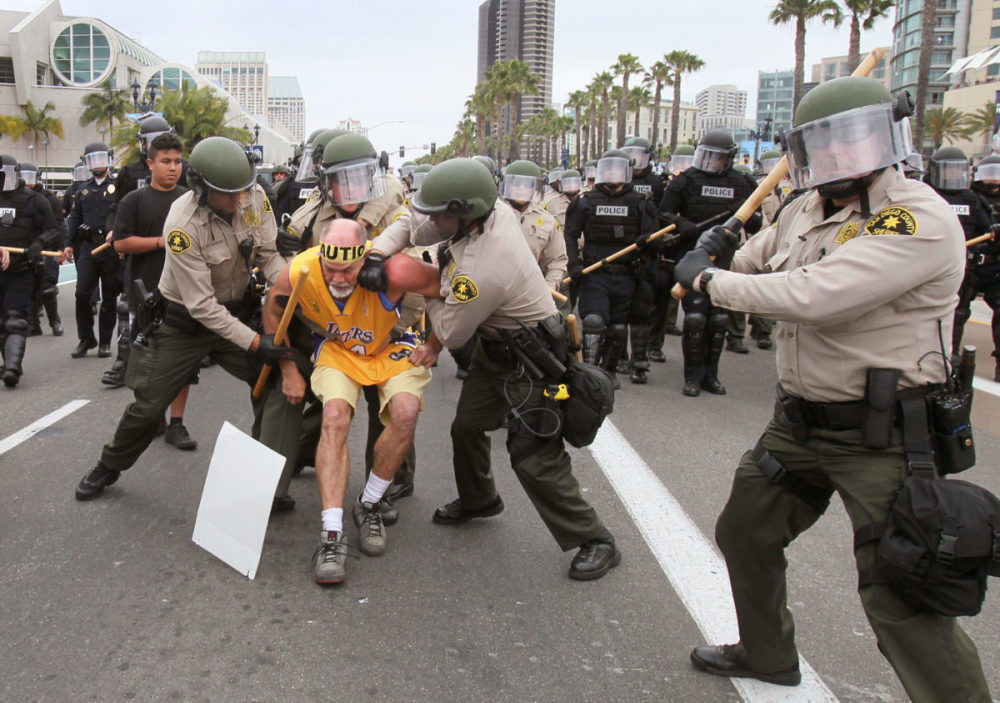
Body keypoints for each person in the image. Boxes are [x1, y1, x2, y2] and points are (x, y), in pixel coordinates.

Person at [674, 76, 992, 701]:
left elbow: (814, 296)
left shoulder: (916, 217)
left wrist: (709, 281)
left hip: (882, 436)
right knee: (746, 531)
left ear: (886, 138)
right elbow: (758, 260)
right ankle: (767, 652)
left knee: (901, 590)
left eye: (854, 140)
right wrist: (716, 249)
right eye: (824, 144)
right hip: (799, 424)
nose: (839, 156)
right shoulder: (804, 206)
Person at [365, 157, 621, 581]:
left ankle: (595, 538)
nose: (432, 220)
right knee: (467, 426)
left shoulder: (486, 268)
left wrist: (423, 285)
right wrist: (377, 253)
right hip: (496, 347)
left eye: (440, 214)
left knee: (533, 455)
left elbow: (451, 331)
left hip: (533, 360)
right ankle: (479, 499)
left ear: (462, 214)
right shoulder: (483, 208)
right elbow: (413, 224)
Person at [73, 137, 301, 500]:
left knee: (275, 381)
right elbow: (202, 307)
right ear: (201, 188)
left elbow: (268, 254)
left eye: (242, 190)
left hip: (235, 312)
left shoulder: (253, 195)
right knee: (148, 408)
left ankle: (267, 480)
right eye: (227, 194)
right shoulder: (181, 224)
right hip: (183, 323)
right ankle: (109, 465)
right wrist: (258, 342)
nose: (238, 200)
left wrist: (290, 286)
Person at [264, 219, 432, 583]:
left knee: (405, 413)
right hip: (340, 349)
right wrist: (288, 369)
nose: (338, 279)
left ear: (365, 258)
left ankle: (368, 503)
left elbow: (449, 287)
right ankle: (331, 532)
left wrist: (437, 343)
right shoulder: (300, 269)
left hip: (391, 345)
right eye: (331, 269)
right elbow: (273, 310)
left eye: (349, 271)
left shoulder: (393, 269)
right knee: (334, 418)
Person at [104, 132, 199, 449]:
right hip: (144, 293)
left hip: (185, 293)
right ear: (150, 163)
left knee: (185, 364)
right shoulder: (134, 200)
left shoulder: (191, 199)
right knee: (145, 361)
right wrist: (161, 242)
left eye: (177, 161)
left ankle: (177, 423)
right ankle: (153, 417)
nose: (172, 168)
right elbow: (121, 242)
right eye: (165, 161)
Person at [660, 129, 762, 395]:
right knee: (695, 318)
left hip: (725, 259)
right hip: (692, 257)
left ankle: (711, 375)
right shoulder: (685, 181)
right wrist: (681, 223)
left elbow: (756, 224)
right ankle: (692, 377)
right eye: (706, 156)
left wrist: (745, 211)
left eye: (717, 157)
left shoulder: (742, 183)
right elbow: (663, 213)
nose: (711, 162)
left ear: (728, 158)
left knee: (718, 319)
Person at [565, 149, 663, 384]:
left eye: (617, 169)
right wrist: (574, 263)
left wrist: (648, 241)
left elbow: (657, 242)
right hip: (595, 273)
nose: (612, 173)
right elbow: (570, 235)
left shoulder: (641, 203)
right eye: (608, 169)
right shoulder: (585, 201)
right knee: (593, 322)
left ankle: (609, 371)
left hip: (627, 274)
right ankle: (588, 372)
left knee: (618, 328)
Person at [925, 146, 992, 356]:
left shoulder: (971, 198)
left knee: (959, 313)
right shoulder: (924, 194)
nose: (953, 173)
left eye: (957, 169)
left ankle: (951, 355)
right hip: (930, 266)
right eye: (948, 169)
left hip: (963, 266)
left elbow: (986, 227)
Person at [0, 154, 60, 387]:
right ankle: (9, 362)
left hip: (22, 269)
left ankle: (13, 368)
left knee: (15, 318)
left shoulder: (34, 201)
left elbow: (53, 229)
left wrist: (38, 244)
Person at [64, 142, 119, 359]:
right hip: (87, 247)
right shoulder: (82, 189)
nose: (97, 164)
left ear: (109, 160)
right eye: (92, 160)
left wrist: (117, 232)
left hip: (109, 249)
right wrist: (68, 244)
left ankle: (105, 341)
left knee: (109, 296)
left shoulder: (118, 186)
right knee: (82, 294)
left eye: (101, 159)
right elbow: (74, 218)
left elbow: (123, 213)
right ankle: (86, 339)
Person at [18, 161, 65, 337]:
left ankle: (55, 321)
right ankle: (33, 324)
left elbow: (59, 226)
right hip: (25, 248)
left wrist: (60, 248)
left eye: (30, 178)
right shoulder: (16, 197)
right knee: (28, 287)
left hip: (47, 247)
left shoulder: (48, 199)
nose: (27, 182)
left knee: (47, 288)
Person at [970, 154, 1000, 380]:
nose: (994, 179)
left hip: (994, 270)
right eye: (990, 174)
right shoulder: (968, 197)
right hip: (968, 268)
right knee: (955, 314)